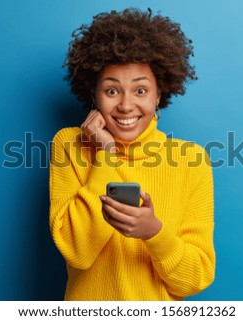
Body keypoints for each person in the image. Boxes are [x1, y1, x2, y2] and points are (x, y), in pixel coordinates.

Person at [49, 8, 215, 301]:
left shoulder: (192, 160)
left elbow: (194, 279)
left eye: (140, 90)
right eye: (112, 91)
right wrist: (106, 155)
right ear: (94, 95)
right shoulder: (70, 145)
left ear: (158, 95)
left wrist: (154, 234)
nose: (126, 106)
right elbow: (78, 252)